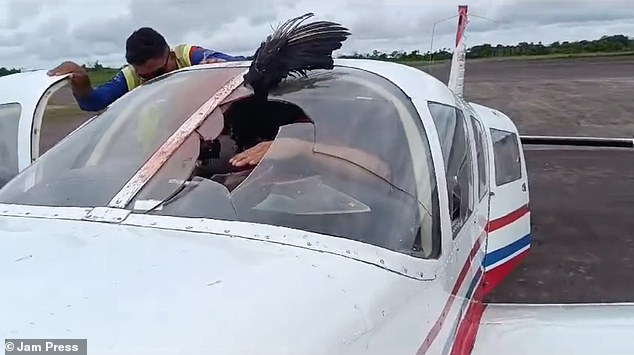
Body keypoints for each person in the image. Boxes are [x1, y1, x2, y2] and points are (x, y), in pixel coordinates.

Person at [47, 27, 248, 112]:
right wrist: (81, 82)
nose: (153, 79)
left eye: (159, 73)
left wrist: (215, 66)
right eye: (146, 76)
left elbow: (240, 64)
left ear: (170, 55)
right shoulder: (131, 75)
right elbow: (94, 102)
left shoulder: (189, 55)